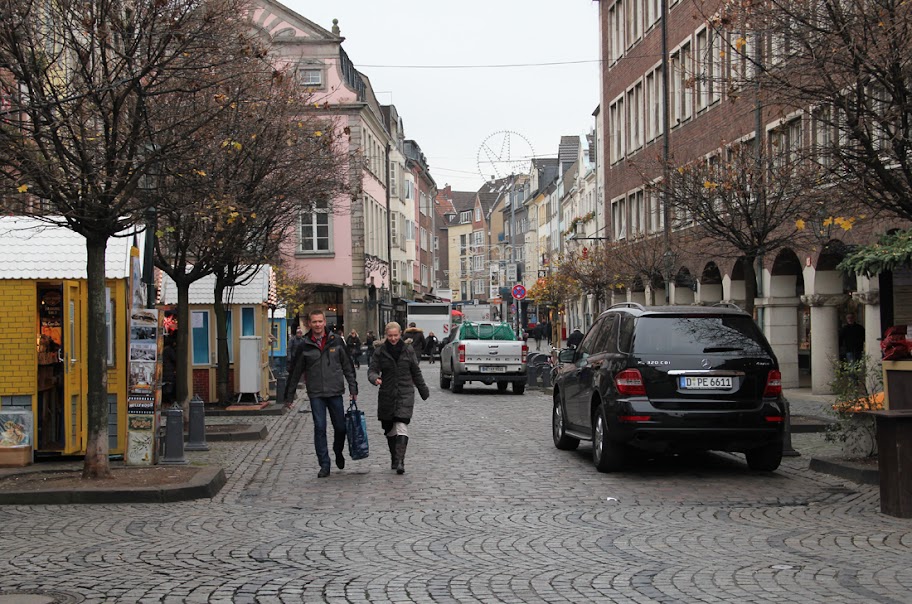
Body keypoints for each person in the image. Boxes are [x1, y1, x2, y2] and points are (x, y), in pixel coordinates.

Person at [284, 309, 358, 478]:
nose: (317, 325)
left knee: (340, 428)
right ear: (310, 324)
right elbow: (295, 372)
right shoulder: (304, 344)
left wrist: (353, 389)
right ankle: (324, 464)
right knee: (320, 428)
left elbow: (348, 366)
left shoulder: (337, 341)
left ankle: (338, 451)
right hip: (316, 393)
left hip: (335, 391)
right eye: (314, 322)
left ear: (325, 322)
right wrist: (289, 396)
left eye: (320, 321)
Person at [368, 321, 430, 474]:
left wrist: (423, 390)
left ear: (400, 334)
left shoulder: (408, 350)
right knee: (389, 428)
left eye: (396, 335)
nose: (393, 338)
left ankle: (401, 461)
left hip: (405, 392)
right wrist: (375, 378)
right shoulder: (380, 351)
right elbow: (372, 370)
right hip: (387, 393)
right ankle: (394, 457)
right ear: (386, 335)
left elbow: (416, 371)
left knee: (401, 424)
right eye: (390, 336)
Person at [161, 334, 178, 407]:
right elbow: (174, 359)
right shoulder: (169, 350)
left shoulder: (164, 349)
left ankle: (166, 402)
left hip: (165, 371)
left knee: (166, 386)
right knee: (169, 387)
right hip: (169, 371)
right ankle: (169, 402)